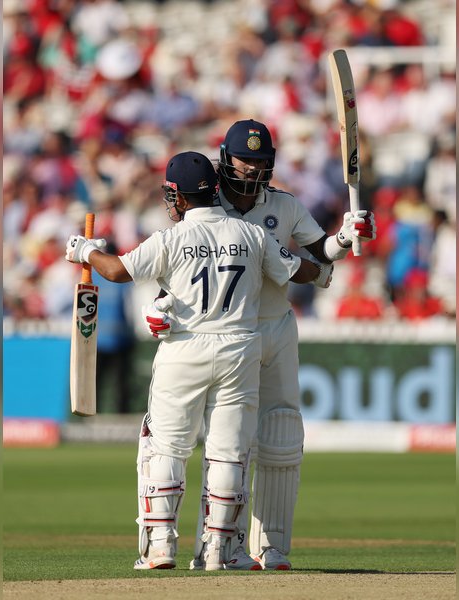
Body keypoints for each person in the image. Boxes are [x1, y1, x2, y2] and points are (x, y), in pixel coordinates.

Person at [64, 151, 331, 571]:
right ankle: (219, 552)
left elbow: (116, 271)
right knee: (229, 451)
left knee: (166, 446)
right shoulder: (250, 234)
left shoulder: (170, 238)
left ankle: (159, 549)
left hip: (184, 349)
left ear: (181, 197)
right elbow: (295, 268)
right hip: (240, 349)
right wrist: (323, 270)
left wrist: (85, 252)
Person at [146, 120, 376, 570]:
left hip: (274, 328)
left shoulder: (285, 206)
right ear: (224, 159)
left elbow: (318, 252)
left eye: (258, 161)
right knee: (211, 442)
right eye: (242, 160)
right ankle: (209, 546)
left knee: (281, 435)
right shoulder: (201, 204)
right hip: (221, 334)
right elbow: (175, 269)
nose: (250, 168)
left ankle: (269, 546)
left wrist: (347, 237)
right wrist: (159, 308)